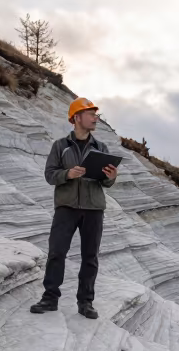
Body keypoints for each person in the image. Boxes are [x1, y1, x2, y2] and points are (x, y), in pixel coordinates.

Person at [30, 98, 118, 319]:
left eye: (96, 115)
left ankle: (85, 303)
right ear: (77, 117)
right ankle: (50, 299)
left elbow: (106, 183)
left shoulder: (101, 148)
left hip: (93, 209)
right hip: (66, 208)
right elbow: (50, 175)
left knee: (90, 257)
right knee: (56, 253)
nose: (95, 118)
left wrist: (111, 177)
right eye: (91, 114)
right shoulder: (60, 146)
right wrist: (67, 174)